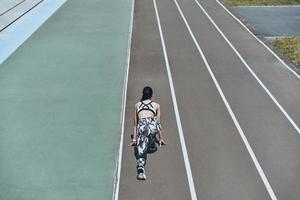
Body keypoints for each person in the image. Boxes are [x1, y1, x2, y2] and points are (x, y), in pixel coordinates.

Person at [130, 86, 165, 180]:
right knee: (150, 133)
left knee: (141, 150)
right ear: (151, 95)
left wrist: (134, 139)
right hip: (152, 126)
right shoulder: (156, 105)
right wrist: (161, 139)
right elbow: (158, 122)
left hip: (142, 127)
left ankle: (141, 169)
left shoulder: (137, 105)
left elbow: (135, 124)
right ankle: (151, 140)